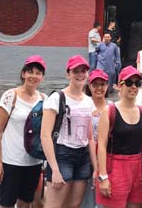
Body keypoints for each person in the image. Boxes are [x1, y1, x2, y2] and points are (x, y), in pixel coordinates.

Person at [41, 55, 97, 208]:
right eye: (76, 71)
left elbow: (90, 138)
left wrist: (96, 168)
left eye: (83, 71)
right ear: (68, 74)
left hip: (83, 156)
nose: (80, 75)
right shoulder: (56, 98)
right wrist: (54, 168)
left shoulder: (88, 101)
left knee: (75, 204)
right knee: (55, 204)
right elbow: (45, 135)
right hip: (62, 155)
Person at [0, 55, 47, 208]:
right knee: (6, 203)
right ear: (23, 74)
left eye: (38, 73)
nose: (33, 76)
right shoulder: (11, 96)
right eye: (30, 72)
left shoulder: (44, 99)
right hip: (11, 161)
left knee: (25, 203)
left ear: (42, 77)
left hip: (33, 162)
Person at [96, 66, 142, 208]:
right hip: (116, 167)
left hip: (137, 167)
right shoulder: (109, 110)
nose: (133, 87)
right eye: (129, 82)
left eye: (137, 83)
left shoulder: (141, 111)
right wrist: (103, 177)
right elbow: (101, 145)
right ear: (119, 86)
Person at [81, 69, 111, 208]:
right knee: (86, 199)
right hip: (85, 158)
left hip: (106, 159)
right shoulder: (83, 105)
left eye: (102, 84)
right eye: (95, 84)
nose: (99, 88)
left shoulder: (112, 108)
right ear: (89, 86)